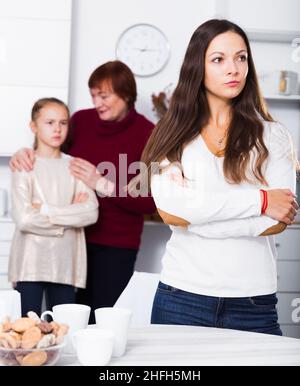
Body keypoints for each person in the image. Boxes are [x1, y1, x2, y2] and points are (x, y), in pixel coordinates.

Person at [130, 19, 299, 335]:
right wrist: (260, 200)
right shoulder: (171, 136)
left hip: (253, 304)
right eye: (218, 59)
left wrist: (198, 216)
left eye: (241, 57)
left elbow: (278, 219)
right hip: (181, 298)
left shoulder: (273, 136)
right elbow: (172, 214)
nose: (233, 68)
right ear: (199, 66)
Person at [9, 61, 156, 322]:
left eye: (104, 95)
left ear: (126, 94)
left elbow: (150, 202)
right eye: (93, 95)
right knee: (64, 320)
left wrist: (102, 184)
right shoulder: (81, 121)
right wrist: (23, 152)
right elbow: (51, 151)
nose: (97, 102)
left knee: (101, 318)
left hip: (116, 245)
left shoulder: (147, 134)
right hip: (73, 239)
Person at [9, 98, 99, 316]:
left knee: (62, 332)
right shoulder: (25, 165)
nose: (57, 129)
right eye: (49, 122)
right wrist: (67, 222)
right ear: (34, 127)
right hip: (29, 263)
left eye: (63, 122)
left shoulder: (75, 165)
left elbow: (90, 212)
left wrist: (46, 210)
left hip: (65, 263)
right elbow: (24, 219)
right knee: (26, 332)